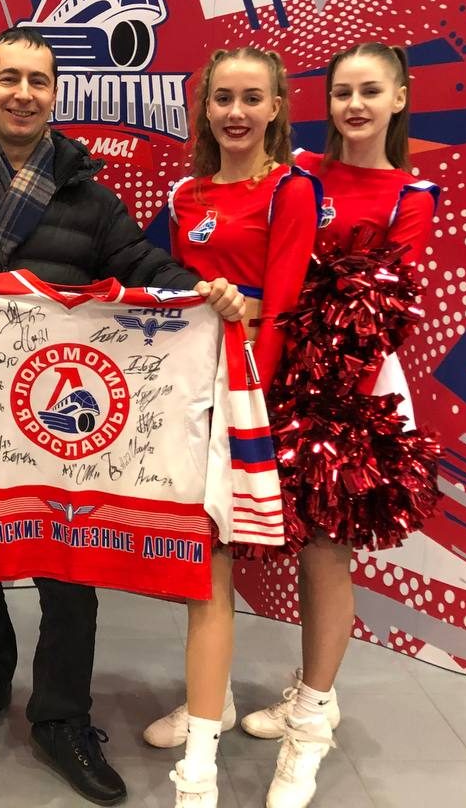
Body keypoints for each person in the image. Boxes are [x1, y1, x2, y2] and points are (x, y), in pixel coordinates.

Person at [0, 26, 245, 806]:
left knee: (70, 572)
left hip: (63, 434)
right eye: (10, 78)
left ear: (55, 94)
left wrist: (201, 294)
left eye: (39, 81)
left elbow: (143, 265)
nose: (24, 93)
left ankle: (62, 716)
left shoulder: (88, 199)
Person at [242, 42, 439, 808]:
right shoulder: (297, 174)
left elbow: (385, 309)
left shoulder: (411, 196)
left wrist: (333, 393)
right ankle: (306, 693)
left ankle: (310, 729)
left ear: (399, 98)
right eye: (342, 92)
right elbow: (271, 271)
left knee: (327, 552)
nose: (354, 105)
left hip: (352, 398)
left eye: (369, 91)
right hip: (277, 377)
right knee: (288, 545)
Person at [144, 48, 319, 807]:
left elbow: (281, 307)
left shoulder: (291, 189)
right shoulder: (184, 194)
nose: (236, 112)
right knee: (199, 562)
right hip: (186, 392)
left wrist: (255, 411)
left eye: (252, 98)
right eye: (223, 98)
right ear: (204, 108)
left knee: (216, 559)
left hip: (246, 398)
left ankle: (205, 748)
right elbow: (162, 293)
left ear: (276, 107)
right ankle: (206, 707)